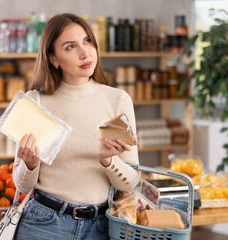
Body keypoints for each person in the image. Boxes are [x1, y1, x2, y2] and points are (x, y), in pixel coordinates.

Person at [13, 13, 140, 240]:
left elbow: (131, 182)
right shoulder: (35, 102)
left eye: (87, 41)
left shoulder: (118, 100)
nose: (85, 53)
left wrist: (108, 162)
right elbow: (22, 185)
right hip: (44, 224)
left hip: (101, 226)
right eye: (71, 47)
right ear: (53, 59)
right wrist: (30, 164)